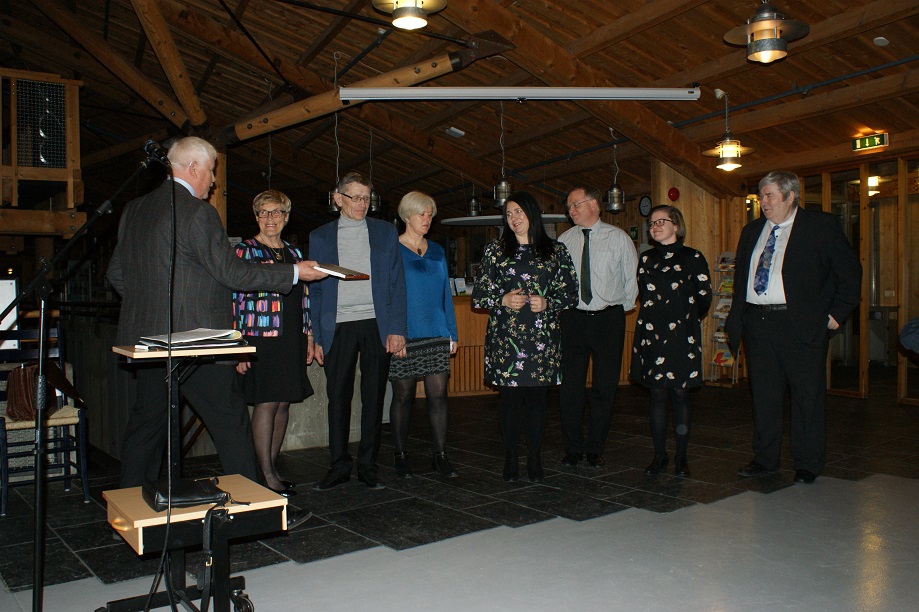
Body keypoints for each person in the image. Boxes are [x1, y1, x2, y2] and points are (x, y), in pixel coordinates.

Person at [107, 137, 325, 529]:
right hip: (197, 342)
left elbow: (117, 275)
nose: (213, 181)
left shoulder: (134, 210)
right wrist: (295, 272)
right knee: (230, 425)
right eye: (211, 171)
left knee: (146, 428)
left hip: (148, 343)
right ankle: (259, 513)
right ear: (193, 167)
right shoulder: (197, 212)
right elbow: (233, 273)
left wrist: (157, 312)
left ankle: (125, 517)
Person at [725, 171, 861, 485]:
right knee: (764, 396)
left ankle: (807, 463)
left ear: (790, 196)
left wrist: (836, 315)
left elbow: (850, 273)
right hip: (758, 324)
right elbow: (742, 278)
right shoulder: (752, 231)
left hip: (800, 324)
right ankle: (765, 459)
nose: (764, 202)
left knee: (806, 396)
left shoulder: (820, 226)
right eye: (762, 196)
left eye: (770, 195)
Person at [308, 171, 407, 490]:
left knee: (374, 397)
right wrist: (317, 335)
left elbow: (397, 282)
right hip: (336, 325)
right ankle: (339, 465)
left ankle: (368, 465)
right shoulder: (320, 236)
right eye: (356, 197)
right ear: (338, 199)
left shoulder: (385, 231)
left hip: (376, 323)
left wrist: (397, 328)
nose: (363, 203)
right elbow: (316, 291)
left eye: (367, 198)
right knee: (337, 397)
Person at [472, 191, 578, 482]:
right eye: (508, 214)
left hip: (541, 339)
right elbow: (479, 295)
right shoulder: (496, 251)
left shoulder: (556, 251)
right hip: (506, 338)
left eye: (518, 211)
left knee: (537, 402)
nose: (514, 218)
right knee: (509, 401)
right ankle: (510, 457)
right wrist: (502, 299)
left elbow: (571, 293)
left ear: (532, 213)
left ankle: (534, 457)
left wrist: (548, 302)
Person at [233, 190, 314, 497]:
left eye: (276, 212)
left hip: (291, 336)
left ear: (286, 217)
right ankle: (264, 475)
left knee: (283, 403)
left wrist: (309, 335)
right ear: (256, 217)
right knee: (266, 402)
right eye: (264, 212)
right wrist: (238, 345)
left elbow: (304, 298)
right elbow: (234, 300)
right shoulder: (245, 251)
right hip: (260, 338)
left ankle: (272, 468)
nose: (270, 218)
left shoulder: (294, 253)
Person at [557, 186, 638, 468]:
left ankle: (595, 448)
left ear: (594, 204)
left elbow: (631, 281)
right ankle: (572, 448)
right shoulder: (564, 240)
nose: (571, 211)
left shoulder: (619, 238)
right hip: (573, 319)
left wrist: (616, 310)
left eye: (575, 205)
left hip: (608, 319)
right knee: (571, 387)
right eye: (569, 207)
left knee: (605, 386)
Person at [630, 205, 712, 477]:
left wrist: (683, 317)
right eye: (651, 223)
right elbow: (644, 294)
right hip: (652, 333)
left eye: (660, 221)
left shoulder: (693, 257)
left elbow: (704, 297)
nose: (654, 227)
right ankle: (659, 456)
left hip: (682, 335)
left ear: (676, 225)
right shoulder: (646, 258)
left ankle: (681, 458)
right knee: (657, 394)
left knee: (680, 393)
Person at [388, 191, 460, 479]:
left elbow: (446, 293)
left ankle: (440, 456)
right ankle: (400, 455)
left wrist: (452, 332)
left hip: (436, 330)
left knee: (439, 395)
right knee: (403, 395)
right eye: (422, 213)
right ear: (407, 215)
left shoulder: (438, 250)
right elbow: (387, 297)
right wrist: (396, 333)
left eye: (430, 214)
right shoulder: (392, 250)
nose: (427, 219)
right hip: (406, 333)